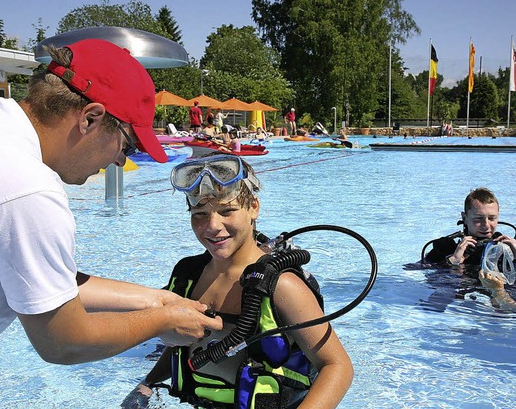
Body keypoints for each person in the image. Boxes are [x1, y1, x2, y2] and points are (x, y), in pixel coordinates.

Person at [0, 39, 222, 361]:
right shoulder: (27, 191)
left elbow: (47, 280)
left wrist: (158, 300)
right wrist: (163, 321)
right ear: (90, 118)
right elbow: (63, 342)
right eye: (128, 145)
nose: (121, 162)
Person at [123, 154, 353, 408]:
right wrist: (148, 383)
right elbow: (183, 345)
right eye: (199, 213)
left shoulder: (281, 285)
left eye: (227, 211)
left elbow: (337, 366)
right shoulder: (188, 275)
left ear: (253, 207)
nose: (212, 226)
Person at [423, 188, 516, 274]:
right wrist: (452, 261)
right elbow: (416, 270)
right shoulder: (447, 247)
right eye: (478, 219)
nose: (486, 225)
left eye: (492, 218)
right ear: (464, 218)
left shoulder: (504, 247)